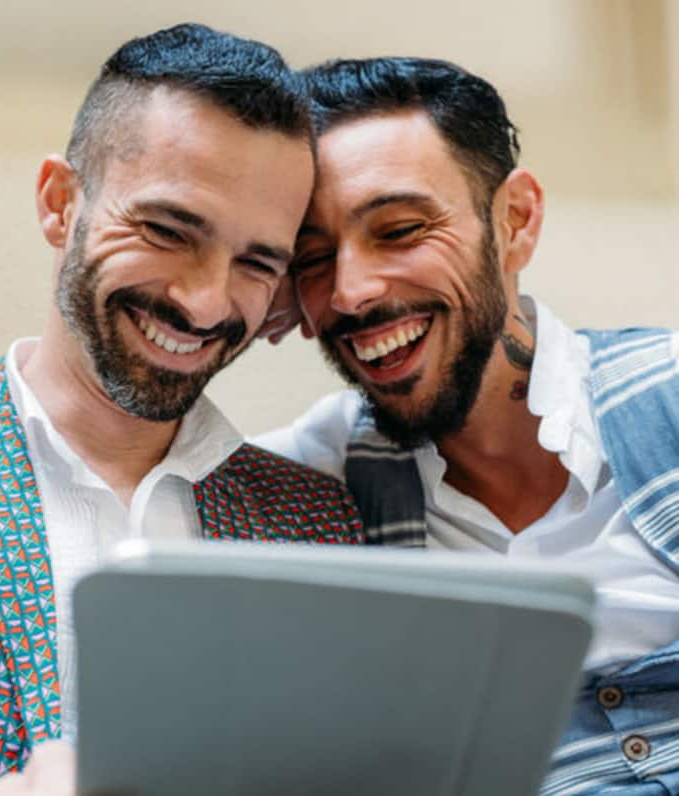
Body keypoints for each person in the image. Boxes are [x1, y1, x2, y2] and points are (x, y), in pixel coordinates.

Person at [0, 26, 363, 795]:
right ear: (59, 202)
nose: (205, 302)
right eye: (168, 231)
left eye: (256, 263)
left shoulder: (318, 527)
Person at [258, 57, 679, 795]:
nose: (351, 294)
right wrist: (237, 292)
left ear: (515, 221)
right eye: (313, 258)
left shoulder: (667, 392)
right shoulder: (312, 487)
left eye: (400, 230)